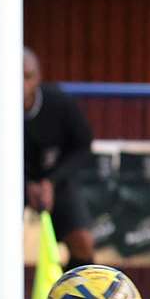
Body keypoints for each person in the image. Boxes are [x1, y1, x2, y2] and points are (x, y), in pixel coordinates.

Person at [23, 47, 98, 266]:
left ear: (38, 78)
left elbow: (83, 145)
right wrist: (25, 183)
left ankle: (78, 293)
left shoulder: (59, 103)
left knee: (83, 241)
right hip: (8, 183)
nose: (21, 84)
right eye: (14, 76)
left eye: (27, 77)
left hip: (57, 179)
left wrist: (51, 181)